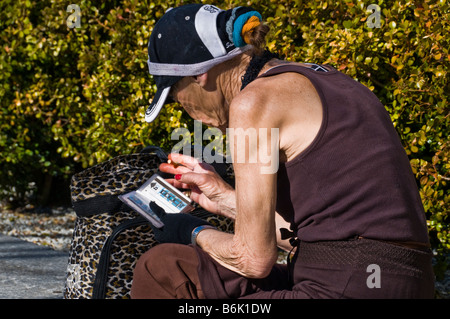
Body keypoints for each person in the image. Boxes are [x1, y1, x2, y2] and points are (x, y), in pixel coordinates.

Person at [130, 4, 435, 298]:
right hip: (402, 280)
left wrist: (189, 230)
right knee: (176, 264)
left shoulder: (252, 103)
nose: (186, 111)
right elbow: (317, 234)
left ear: (198, 75)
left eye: (175, 97)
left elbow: (253, 259)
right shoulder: (330, 80)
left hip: (342, 286)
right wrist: (222, 197)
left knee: (161, 270)